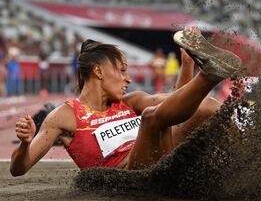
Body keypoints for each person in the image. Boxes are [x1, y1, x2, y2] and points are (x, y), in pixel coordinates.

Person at [10, 27, 241, 176]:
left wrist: (187, 64)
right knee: (151, 117)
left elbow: (178, 104)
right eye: (121, 71)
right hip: (131, 179)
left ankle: (244, 165)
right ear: (99, 72)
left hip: (166, 162)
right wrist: (24, 143)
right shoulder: (65, 115)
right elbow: (19, 169)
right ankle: (210, 75)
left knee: (208, 107)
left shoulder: (131, 101)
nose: (128, 78)